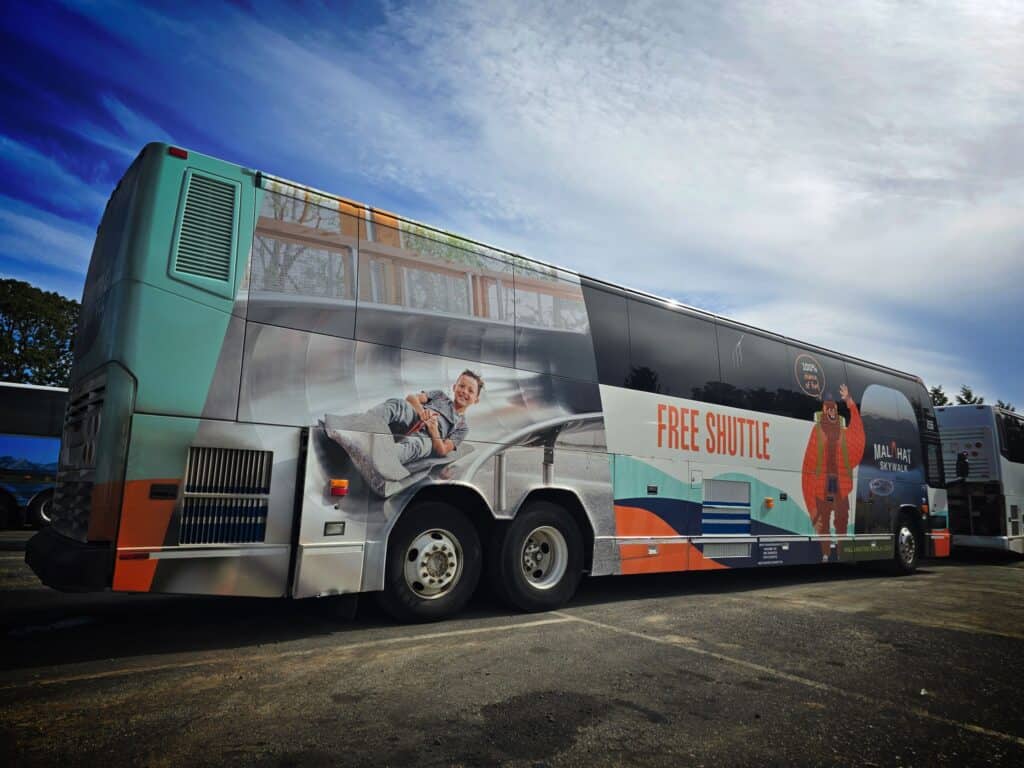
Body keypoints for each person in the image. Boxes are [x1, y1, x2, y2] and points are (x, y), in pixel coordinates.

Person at [801, 384, 865, 560]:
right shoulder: (817, 431)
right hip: (822, 487)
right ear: (823, 410)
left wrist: (849, 401)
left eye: (834, 408)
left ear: (836, 409)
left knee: (842, 519)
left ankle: (843, 551)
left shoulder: (844, 433)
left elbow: (858, 432)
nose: (831, 411)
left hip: (840, 485)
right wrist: (812, 510)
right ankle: (826, 553)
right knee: (824, 522)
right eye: (827, 408)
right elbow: (807, 467)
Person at [369, 370, 484, 465]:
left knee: (417, 446)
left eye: (470, 391)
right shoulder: (440, 395)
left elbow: (442, 450)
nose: (464, 391)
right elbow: (412, 398)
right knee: (398, 404)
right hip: (416, 417)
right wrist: (422, 412)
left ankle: (385, 457)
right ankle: (368, 422)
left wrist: (433, 430)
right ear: (454, 387)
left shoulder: (462, 427)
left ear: (476, 400)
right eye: (462, 386)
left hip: (429, 437)